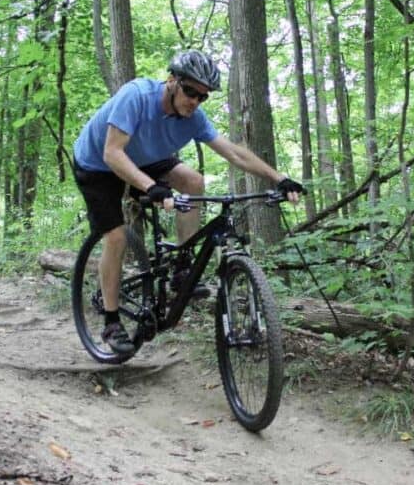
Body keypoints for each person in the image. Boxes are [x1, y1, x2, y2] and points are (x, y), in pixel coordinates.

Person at [72, 50, 305, 354]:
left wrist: (279, 178)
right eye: (190, 91)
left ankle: (182, 267)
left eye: (203, 97)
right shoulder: (137, 96)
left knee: (193, 180)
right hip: (98, 163)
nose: (194, 101)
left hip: (146, 157)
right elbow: (113, 153)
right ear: (171, 81)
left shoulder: (193, 118)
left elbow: (234, 153)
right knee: (115, 238)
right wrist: (151, 187)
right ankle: (111, 321)